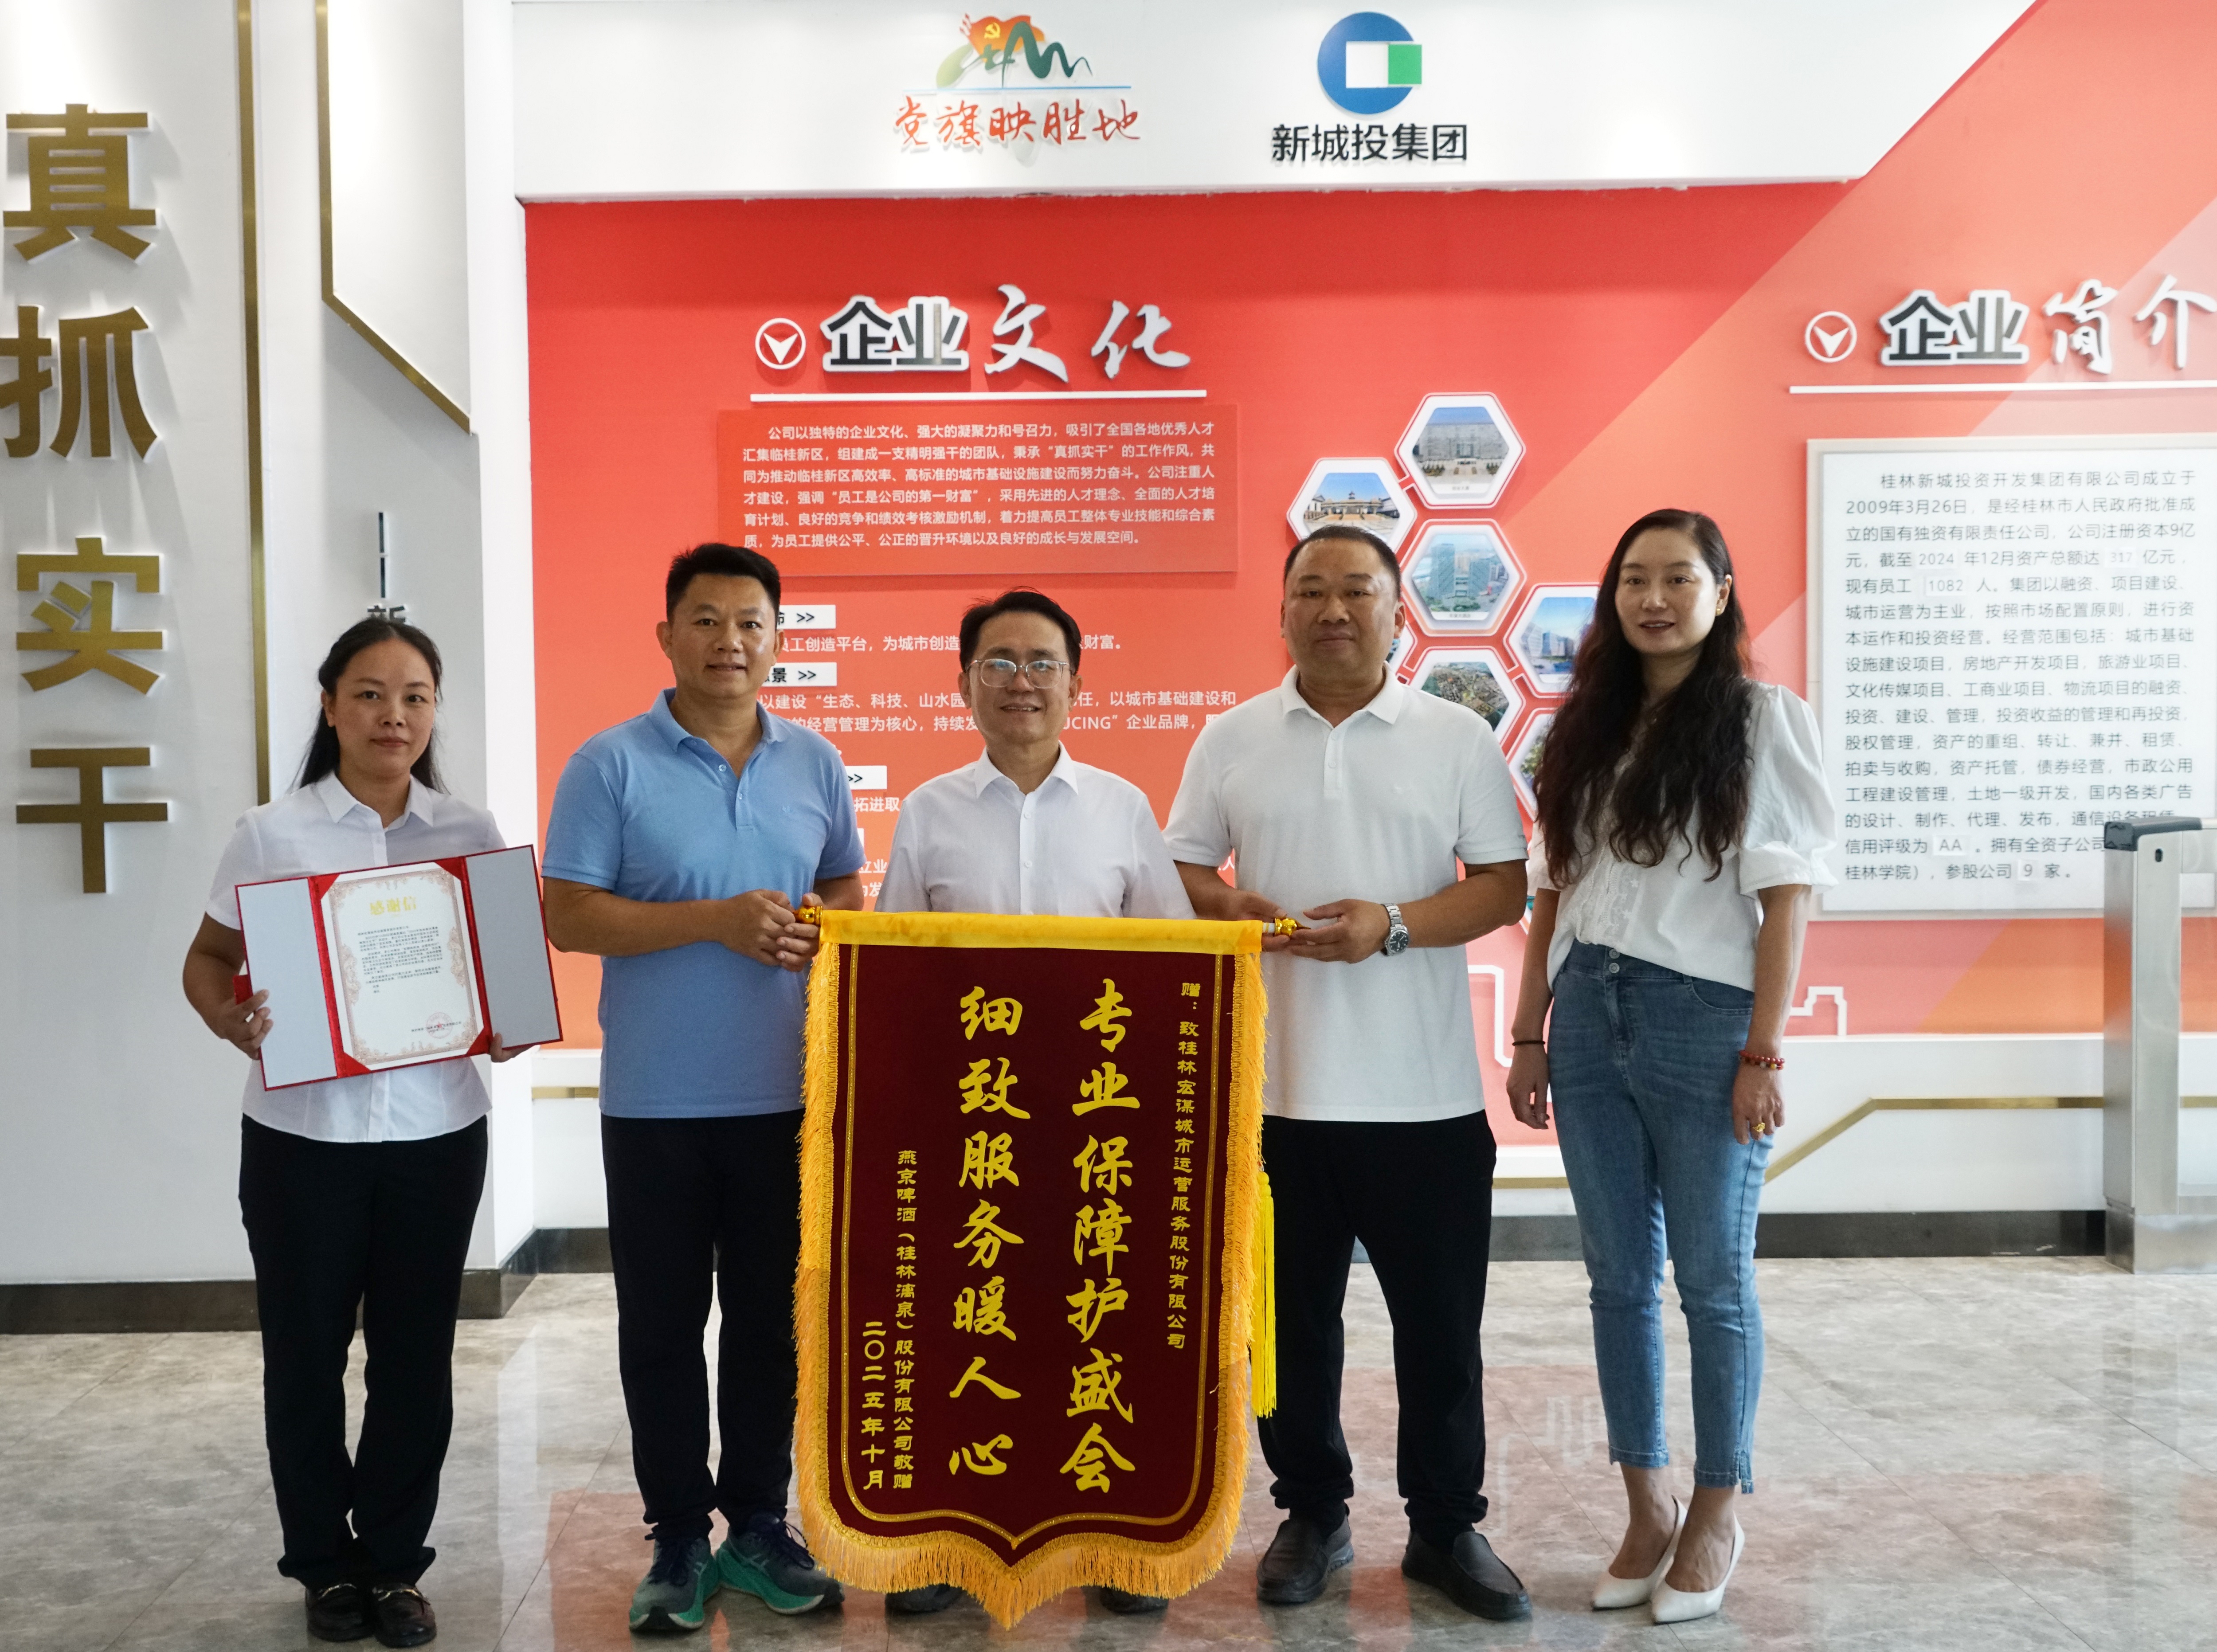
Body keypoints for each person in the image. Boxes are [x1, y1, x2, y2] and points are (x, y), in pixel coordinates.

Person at [1163, 528, 1533, 1621]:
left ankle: (1445, 1527)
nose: (1333, 610)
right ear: (1281, 611)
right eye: (1311, 591)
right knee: (1288, 1333)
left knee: (1440, 1332)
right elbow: (1180, 866)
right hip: (1276, 1099)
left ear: (1396, 612)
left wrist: (1394, 925)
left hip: (1426, 1100)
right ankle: (1312, 1514)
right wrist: (1224, 904)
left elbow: (1503, 886)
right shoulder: (1231, 737)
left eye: (1357, 591)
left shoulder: (1454, 736)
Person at [1505, 509, 1833, 1625]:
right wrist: (1531, 1031)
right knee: (1615, 1279)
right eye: (1634, 579)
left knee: (1712, 1281)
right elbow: (1552, 890)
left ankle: (1716, 1508)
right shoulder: (1585, 727)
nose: (1653, 599)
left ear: (1721, 593)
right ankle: (1646, 1504)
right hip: (1587, 1015)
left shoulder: (1759, 719)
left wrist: (1763, 1051)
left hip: (1704, 1020)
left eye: (1678, 579)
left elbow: (1787, 900)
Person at [541, 544, 865, 1636]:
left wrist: (822, 924)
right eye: (708, 620)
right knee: (663, 1327)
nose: (731, 641)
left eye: (751, 623)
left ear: (777, 640)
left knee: (772, 1325)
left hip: (786, 1098)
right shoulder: (610, 764)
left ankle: (760, 1525)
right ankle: (678, 1534)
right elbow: (569, 914)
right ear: (668, 635)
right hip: (657, 1105)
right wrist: (714, 921)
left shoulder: (814, 762)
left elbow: (843, 886)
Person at [182, 618, 521, 1648]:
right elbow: (206, 959)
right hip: (303, 1138)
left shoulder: (469, 831)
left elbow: (508, 983)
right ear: (330, 706)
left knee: (415, 1359)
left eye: (415, 697)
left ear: (435, 712)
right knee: (305, 1357)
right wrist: (232, 1020)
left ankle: (395, 1564)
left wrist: (510, 1020)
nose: (393, 716)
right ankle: (324, 1567)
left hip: (436, 1133)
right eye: (369, 694)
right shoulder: (272, 833)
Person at [875, 587, 1190, 1618]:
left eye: (1042, 662)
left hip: (1095, 1129)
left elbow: (1171, 966)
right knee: (965, 1333)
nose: (1022, 682)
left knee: (1089, 1332)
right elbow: (894, 971)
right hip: (966, 1130)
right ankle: (946, 1542)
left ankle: (1109, 1541)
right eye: (999, 663)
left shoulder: (1122, 808)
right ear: (964, 684)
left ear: (1076, 684)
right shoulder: (926, 811)